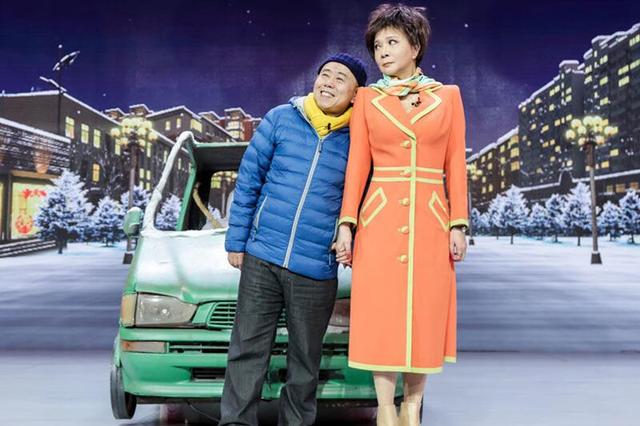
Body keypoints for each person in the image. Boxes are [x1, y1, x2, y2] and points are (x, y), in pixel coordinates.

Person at [334, 4, 469, 426]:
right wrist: (347, 224)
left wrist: (458, 222)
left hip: (431, 218)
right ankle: (386, 407)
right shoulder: (367, 99)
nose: (383, 52)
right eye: (377, 46)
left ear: (415, 46)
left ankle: (412, 404)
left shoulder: (448, 96)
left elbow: (455, 163)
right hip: (379, 219)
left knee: (424, 311)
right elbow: (358, 164)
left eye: (392, 42)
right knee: (381, 312)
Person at [221, 53, 367, 426]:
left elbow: (364, 199)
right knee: (247, 349)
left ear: (356, 94)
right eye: (325, 74)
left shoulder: (360, 139)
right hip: (263, 257)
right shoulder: (280, 119)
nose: (328, 82)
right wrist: (237, 241)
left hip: (316, 268)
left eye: (340, 78)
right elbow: (249, 181)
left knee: (305, 360)